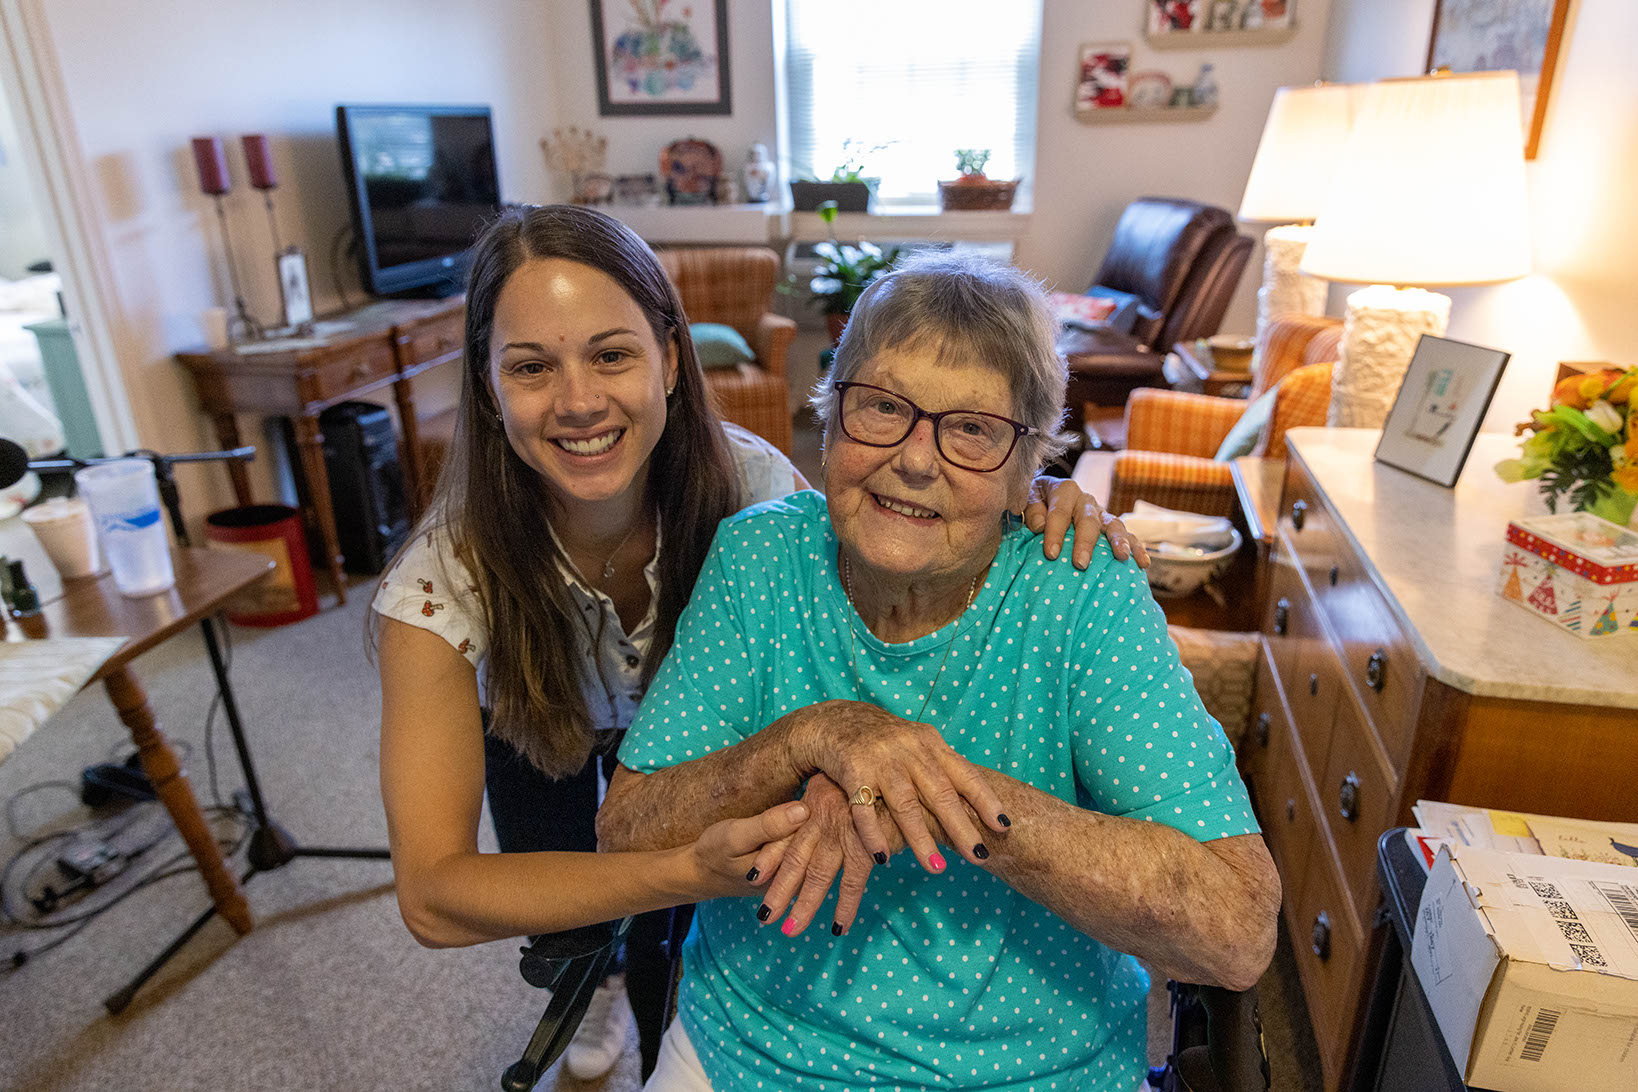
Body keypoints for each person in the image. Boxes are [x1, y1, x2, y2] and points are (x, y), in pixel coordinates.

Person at [372, 205, 1143, 1080]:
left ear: (670, 357)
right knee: (572, 909)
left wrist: (1029, 490)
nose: (580, 398)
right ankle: (599, 993)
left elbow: (898, 534)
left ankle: (659, 998)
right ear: (486, 384)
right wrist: (678, 872)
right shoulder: (440, 583)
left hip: (699, 724)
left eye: (611, 353)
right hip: (541, 713)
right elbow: (435, 899)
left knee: (686, 941)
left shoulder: (753, 490)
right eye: (531, 367)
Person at [598, 252, 1280, 1091]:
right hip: (748, 1050)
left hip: (1034, 1072)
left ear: (1029, 466)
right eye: (883, 406)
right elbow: (625, 834)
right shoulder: (759, 557)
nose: (917, 460)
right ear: (831, 418)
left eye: (972, 429)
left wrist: (928, 789)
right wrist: (814, 740)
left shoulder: (1080, 588)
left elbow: (1236, 927)